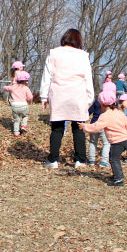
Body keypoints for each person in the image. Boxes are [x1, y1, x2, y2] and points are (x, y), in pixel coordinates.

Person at [40, 28, 94, 169]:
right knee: (78, 128)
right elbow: (88, 78)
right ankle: (80, 160)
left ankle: (53, 160)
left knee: (57, 128)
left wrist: (44, 96)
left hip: (59, 94)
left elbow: (47, 76)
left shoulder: (54, 53)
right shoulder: (83, 56)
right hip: (78, 94)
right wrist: (90, 97)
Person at [78, 91, 127, 186]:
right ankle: (117, 174)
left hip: (117, 142)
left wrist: (85, 127)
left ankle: (119, 179)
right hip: (126, 140)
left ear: (102, 105)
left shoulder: (104, 116)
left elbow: (97, 127)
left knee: (114, 159)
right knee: (113, 157)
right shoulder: (119, 113)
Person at [3, 71, 33, 137]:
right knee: (25, 116)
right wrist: (29, 101)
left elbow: (6, 88)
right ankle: (23, 126)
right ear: (25, 81)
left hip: (15, 106)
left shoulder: (13, 87)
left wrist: (4, 87)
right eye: (27, 80)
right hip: (23, 105)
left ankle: (16, 133)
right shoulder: (26, 88)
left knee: (16, 120)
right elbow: (30, 97)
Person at [86, 98, 110, 167]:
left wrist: (84, 118)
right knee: (106, 143)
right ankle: (104, 161)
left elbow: (89, 112)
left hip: (94, 124)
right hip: (104, 125)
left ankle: (91, 160)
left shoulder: (97, 101)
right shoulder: (112, 103)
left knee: (93, 142)